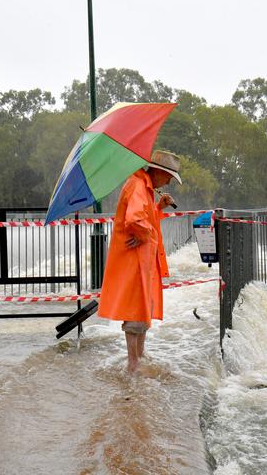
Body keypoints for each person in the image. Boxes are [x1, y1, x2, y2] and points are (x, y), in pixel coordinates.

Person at [97, 150, 182, 374]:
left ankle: (139, 357)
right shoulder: (137, 185)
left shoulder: (144, 187)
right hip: (133, 259)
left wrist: (158, 208)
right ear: (158, 171)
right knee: (135, 308)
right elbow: (134, 220)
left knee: (142, 306)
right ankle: (133, 363)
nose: (169, 181)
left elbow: (143, 217)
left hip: (142, 259)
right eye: (169, 176)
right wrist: (146, 235)